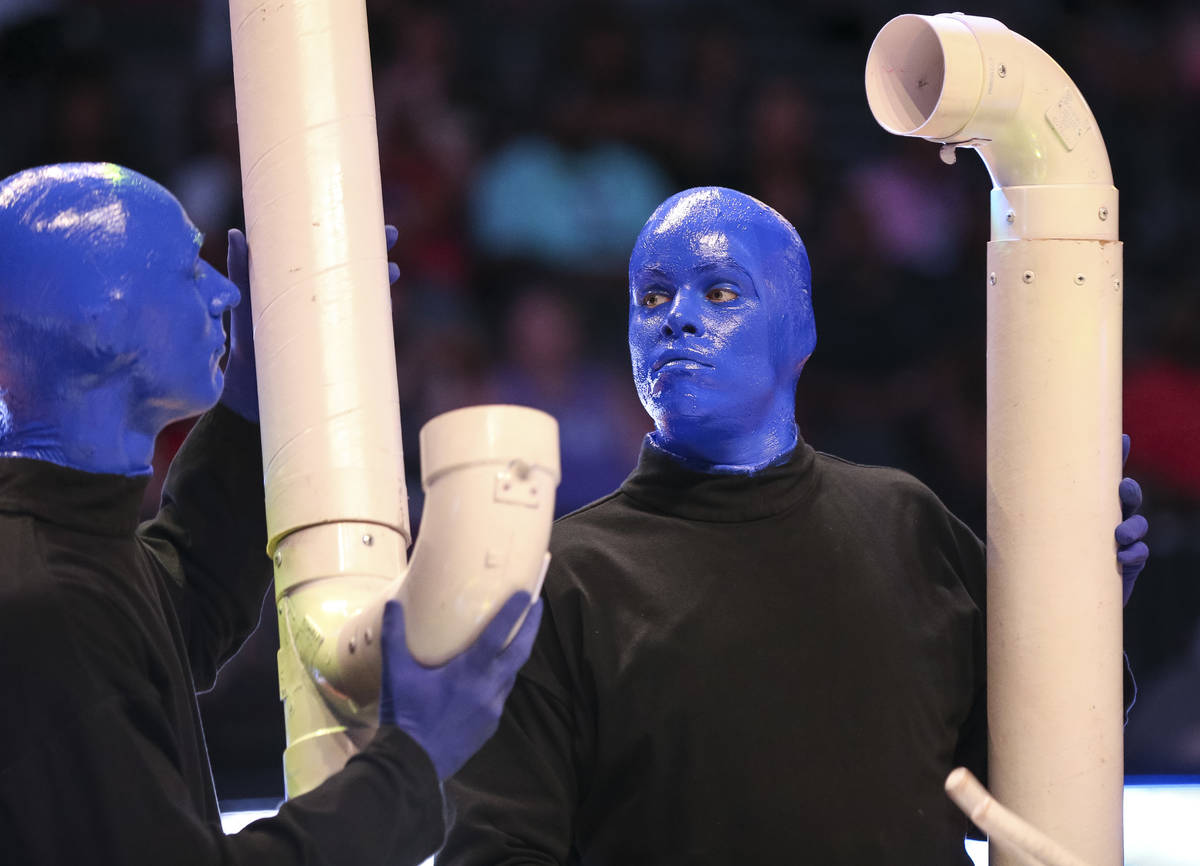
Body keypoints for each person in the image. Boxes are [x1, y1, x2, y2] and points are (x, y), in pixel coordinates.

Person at [437, 187, 1149, 864]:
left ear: (798, 325)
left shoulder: (907, 524)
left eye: (719, 292)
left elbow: (1014, 782)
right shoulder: (557, 581)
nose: (676, 317)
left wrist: (1076, 629)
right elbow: (498, 851)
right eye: (652, 296)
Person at [0, 162, 540, 865]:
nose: (225, 291)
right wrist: (414, 759)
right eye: (188, 271)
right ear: (99, 317)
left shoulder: (59, 555)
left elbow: (175, 606)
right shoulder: (41, 603)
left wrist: (253, 400)